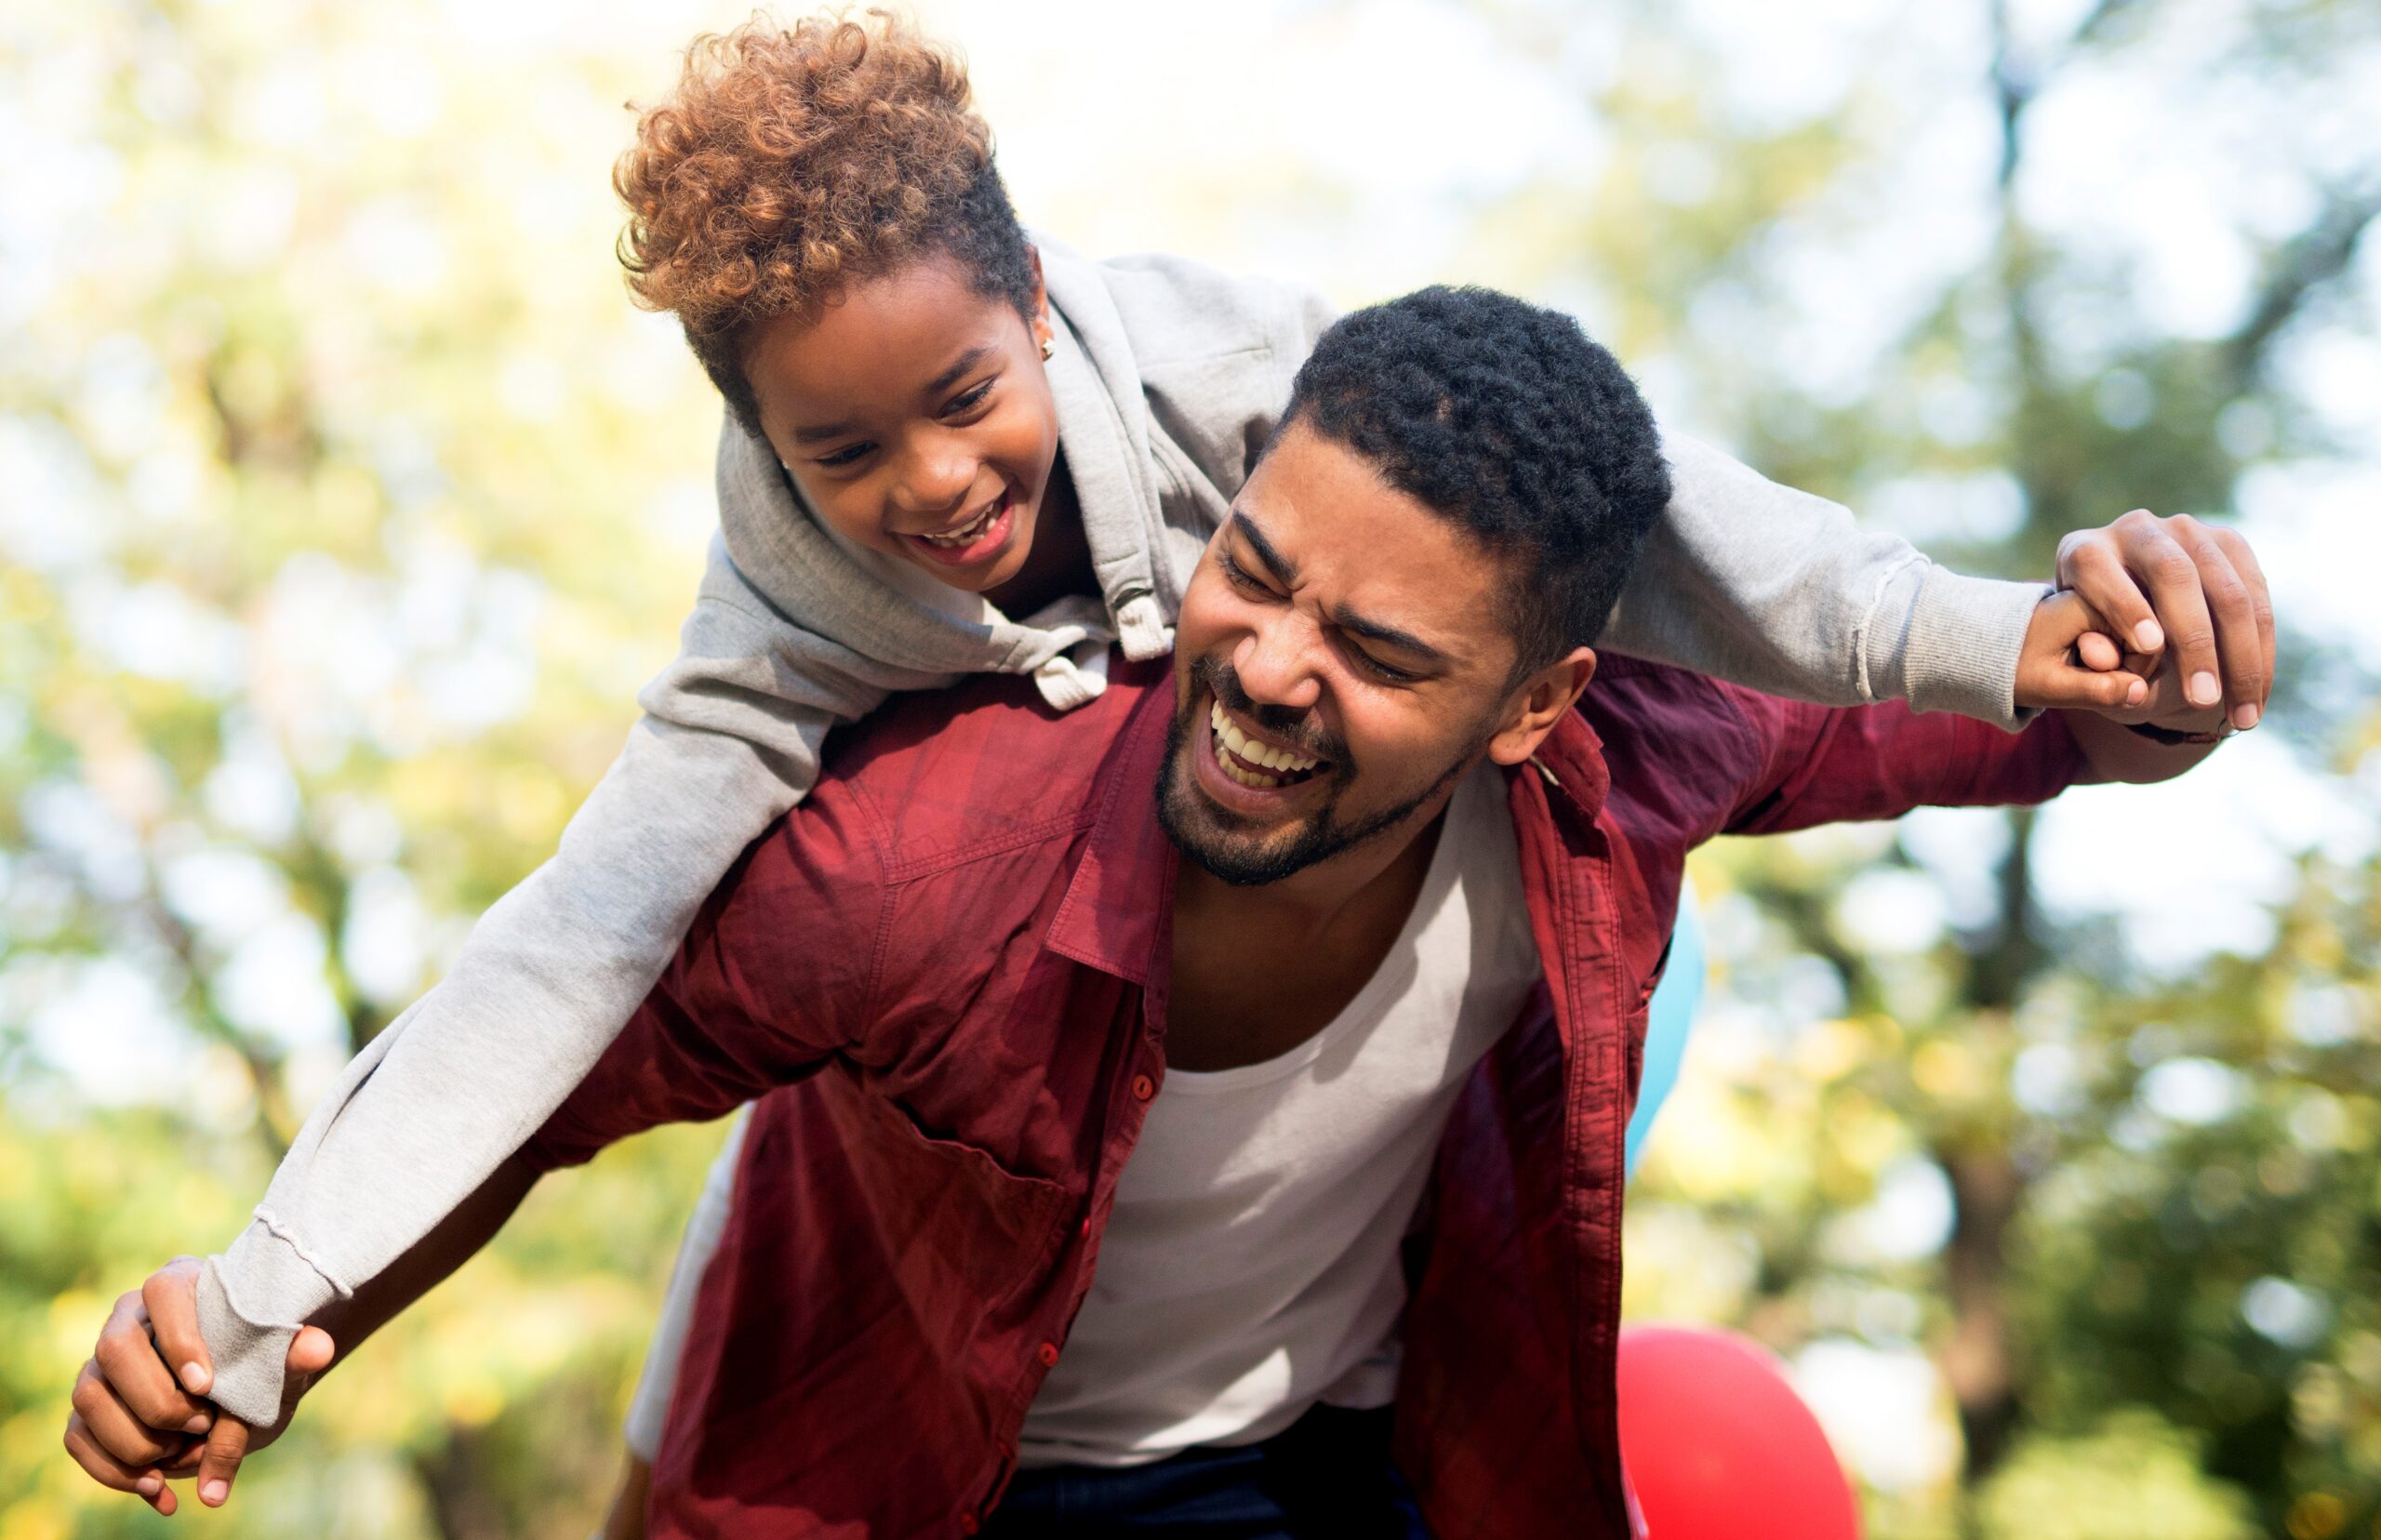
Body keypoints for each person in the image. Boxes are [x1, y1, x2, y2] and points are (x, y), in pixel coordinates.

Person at [69, 285, 2249, 1536]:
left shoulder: (1645, 756)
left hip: (1314, 1467)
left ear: (1535, 707)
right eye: (1255, 574)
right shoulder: (919, 863)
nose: (1272, 669)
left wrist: (2162, 671)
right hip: (934, 1471)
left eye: (1385, 657)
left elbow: (2018, 724)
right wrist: (264, 1322)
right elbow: (543, 1071)